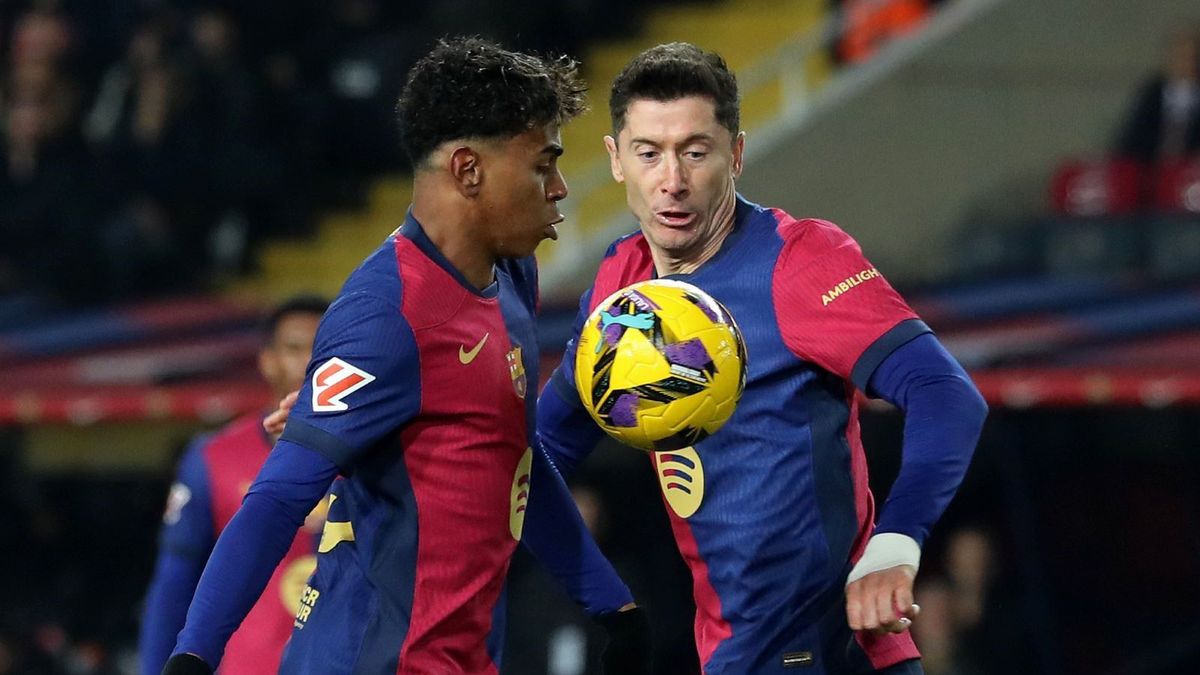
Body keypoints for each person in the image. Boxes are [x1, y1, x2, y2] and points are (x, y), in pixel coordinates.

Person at [162, 38, 650, 675]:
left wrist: (613, 607)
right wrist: (192, 657)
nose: (560, 187)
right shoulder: (385, 316)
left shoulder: (512, 278)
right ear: (468, 170)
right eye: (541, 165)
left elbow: (514, 467)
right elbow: (277, 500)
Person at [534, 43, 988, 674]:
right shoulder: (621, 283)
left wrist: (897, 540)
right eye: (649, 153)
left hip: (838, 654)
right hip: (731, 655)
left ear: (736, 154)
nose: (673, 180)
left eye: (696, 151)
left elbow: (946, 393)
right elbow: (543, 449)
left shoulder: (798, 262)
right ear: (615, 161)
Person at [139, 295, 329, 675]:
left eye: (322, 346)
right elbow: (175, 585)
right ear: (267, 360)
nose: (309, 360)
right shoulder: (213, 458)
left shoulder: (379, 457)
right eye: (295, 348)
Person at [1114, 26, 1200, 163]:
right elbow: (1130, 140)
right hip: (1152, 172)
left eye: (1190, 56)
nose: (1184, 62)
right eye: (1179, 55)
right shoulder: (1151, 94)